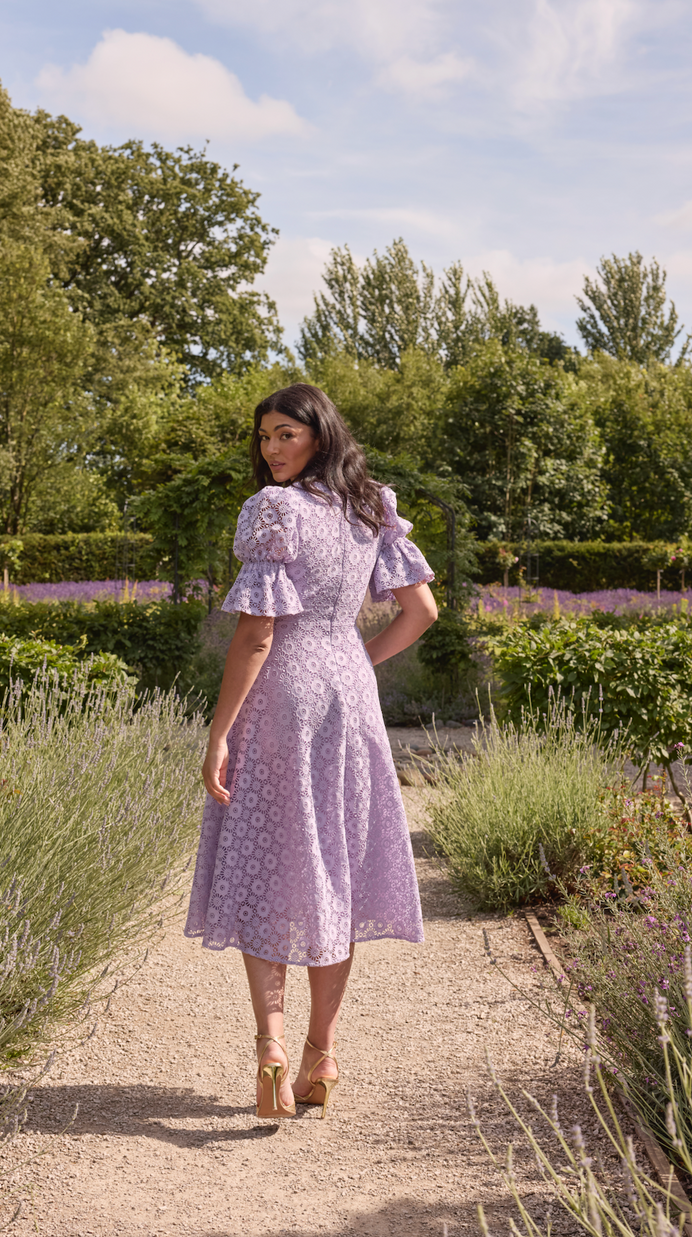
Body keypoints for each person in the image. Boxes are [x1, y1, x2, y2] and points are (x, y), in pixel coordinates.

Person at [184, 383, 438, 1119]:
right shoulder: (371, 508)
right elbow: (421, 610)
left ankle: (271, 1045)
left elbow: (257, 634)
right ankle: (321, 1056)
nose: (270, 448)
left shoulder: (275, 512)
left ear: (319, 435)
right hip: (349, 699)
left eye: (285, 434)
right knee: (335, 865)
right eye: (263, 436)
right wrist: (358, 657)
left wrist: (219, 730)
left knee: (267, 863)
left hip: (282, 701)